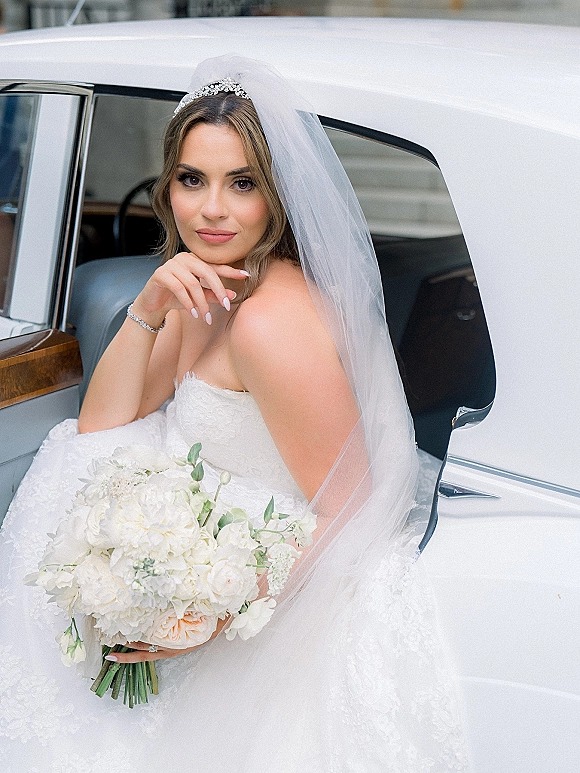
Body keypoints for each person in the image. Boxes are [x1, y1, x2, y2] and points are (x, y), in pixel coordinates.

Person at [0, 56, 469, 771]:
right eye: (193, 179)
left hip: (276, 570)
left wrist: (212, 609)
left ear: (275, 196)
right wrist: (150, 306)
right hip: (213, 530)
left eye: (241, 183)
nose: (211, 209)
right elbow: (100, 429)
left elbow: (352, 508)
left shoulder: (268, 324)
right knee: (69, 458)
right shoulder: (214, 284)